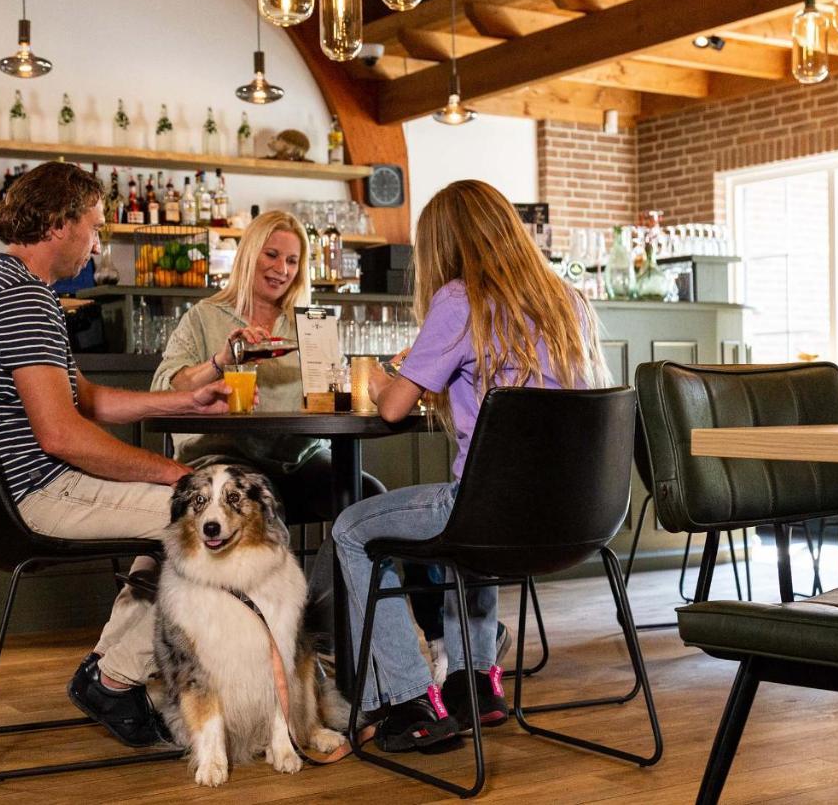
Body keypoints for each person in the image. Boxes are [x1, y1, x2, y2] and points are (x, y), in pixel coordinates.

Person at [0, 162, 231, 748]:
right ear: (61, 223)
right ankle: (114, 680)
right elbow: (61, 435)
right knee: (207, 523)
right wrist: (175, 473)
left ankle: (110, 672)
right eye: (93, 227)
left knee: (181, 523)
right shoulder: (21, 298)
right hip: (35, 499)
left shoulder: (4, 285)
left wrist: (182, 401)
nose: (97, 242)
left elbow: (83, 399)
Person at [331, 179, 607, 753]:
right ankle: (473, 683)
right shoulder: (569, 300)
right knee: (481, 518)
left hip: (492, 517)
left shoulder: (459, 300)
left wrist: (386, 374)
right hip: (576, 517)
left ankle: (408, 701)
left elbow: (391, 408)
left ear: (444, 245)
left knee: (352, 529)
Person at [151, 210, 388, 641]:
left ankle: (315, 629)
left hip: (298, 456)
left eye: (293, 261)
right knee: (257, 505)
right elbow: (166, 386)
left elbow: (328, 392)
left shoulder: (309, 324)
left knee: (366, 501)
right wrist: (221, 362)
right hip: (225, 457)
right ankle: (254, 636)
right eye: (272, 255)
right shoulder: (205, 317)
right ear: (249, 255)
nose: (282, 269)